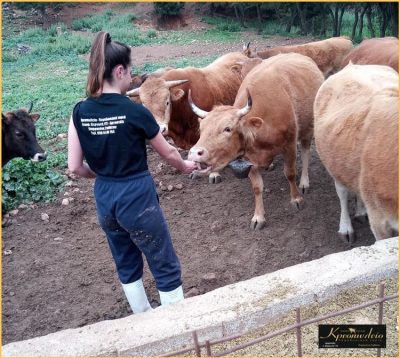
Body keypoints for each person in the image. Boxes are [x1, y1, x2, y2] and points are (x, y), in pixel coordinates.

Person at [68, 31, 197, 314]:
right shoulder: (135, 111)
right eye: (130, 71)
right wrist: (185, 166)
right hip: (136, 196)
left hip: (105, 197)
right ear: (119, 70)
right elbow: (169, 152)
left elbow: (75, 166)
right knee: (163, 261)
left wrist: (101, 174)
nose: (132, 77)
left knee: (126, 262)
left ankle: (142, 320)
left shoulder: (79, 111)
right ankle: (176, 326)